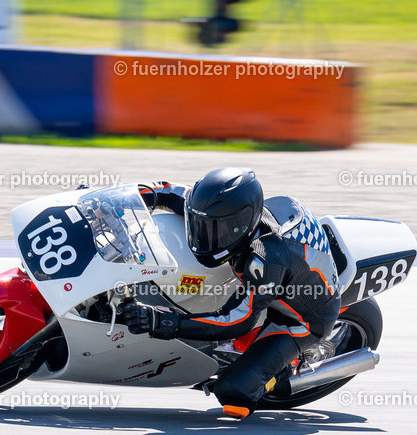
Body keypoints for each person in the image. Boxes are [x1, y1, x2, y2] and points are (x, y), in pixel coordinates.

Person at [120, 167, 342, 418]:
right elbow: (166, 190)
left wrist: (163, 321)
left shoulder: (266, 261)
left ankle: (280, 373)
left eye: (216, 230)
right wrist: (124, 201)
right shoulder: (210, 209)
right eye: (199, 225)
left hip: (301, 321)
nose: (203, 236)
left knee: (233, 394)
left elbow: (235, 321)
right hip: (283, 276)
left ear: (242, 224)